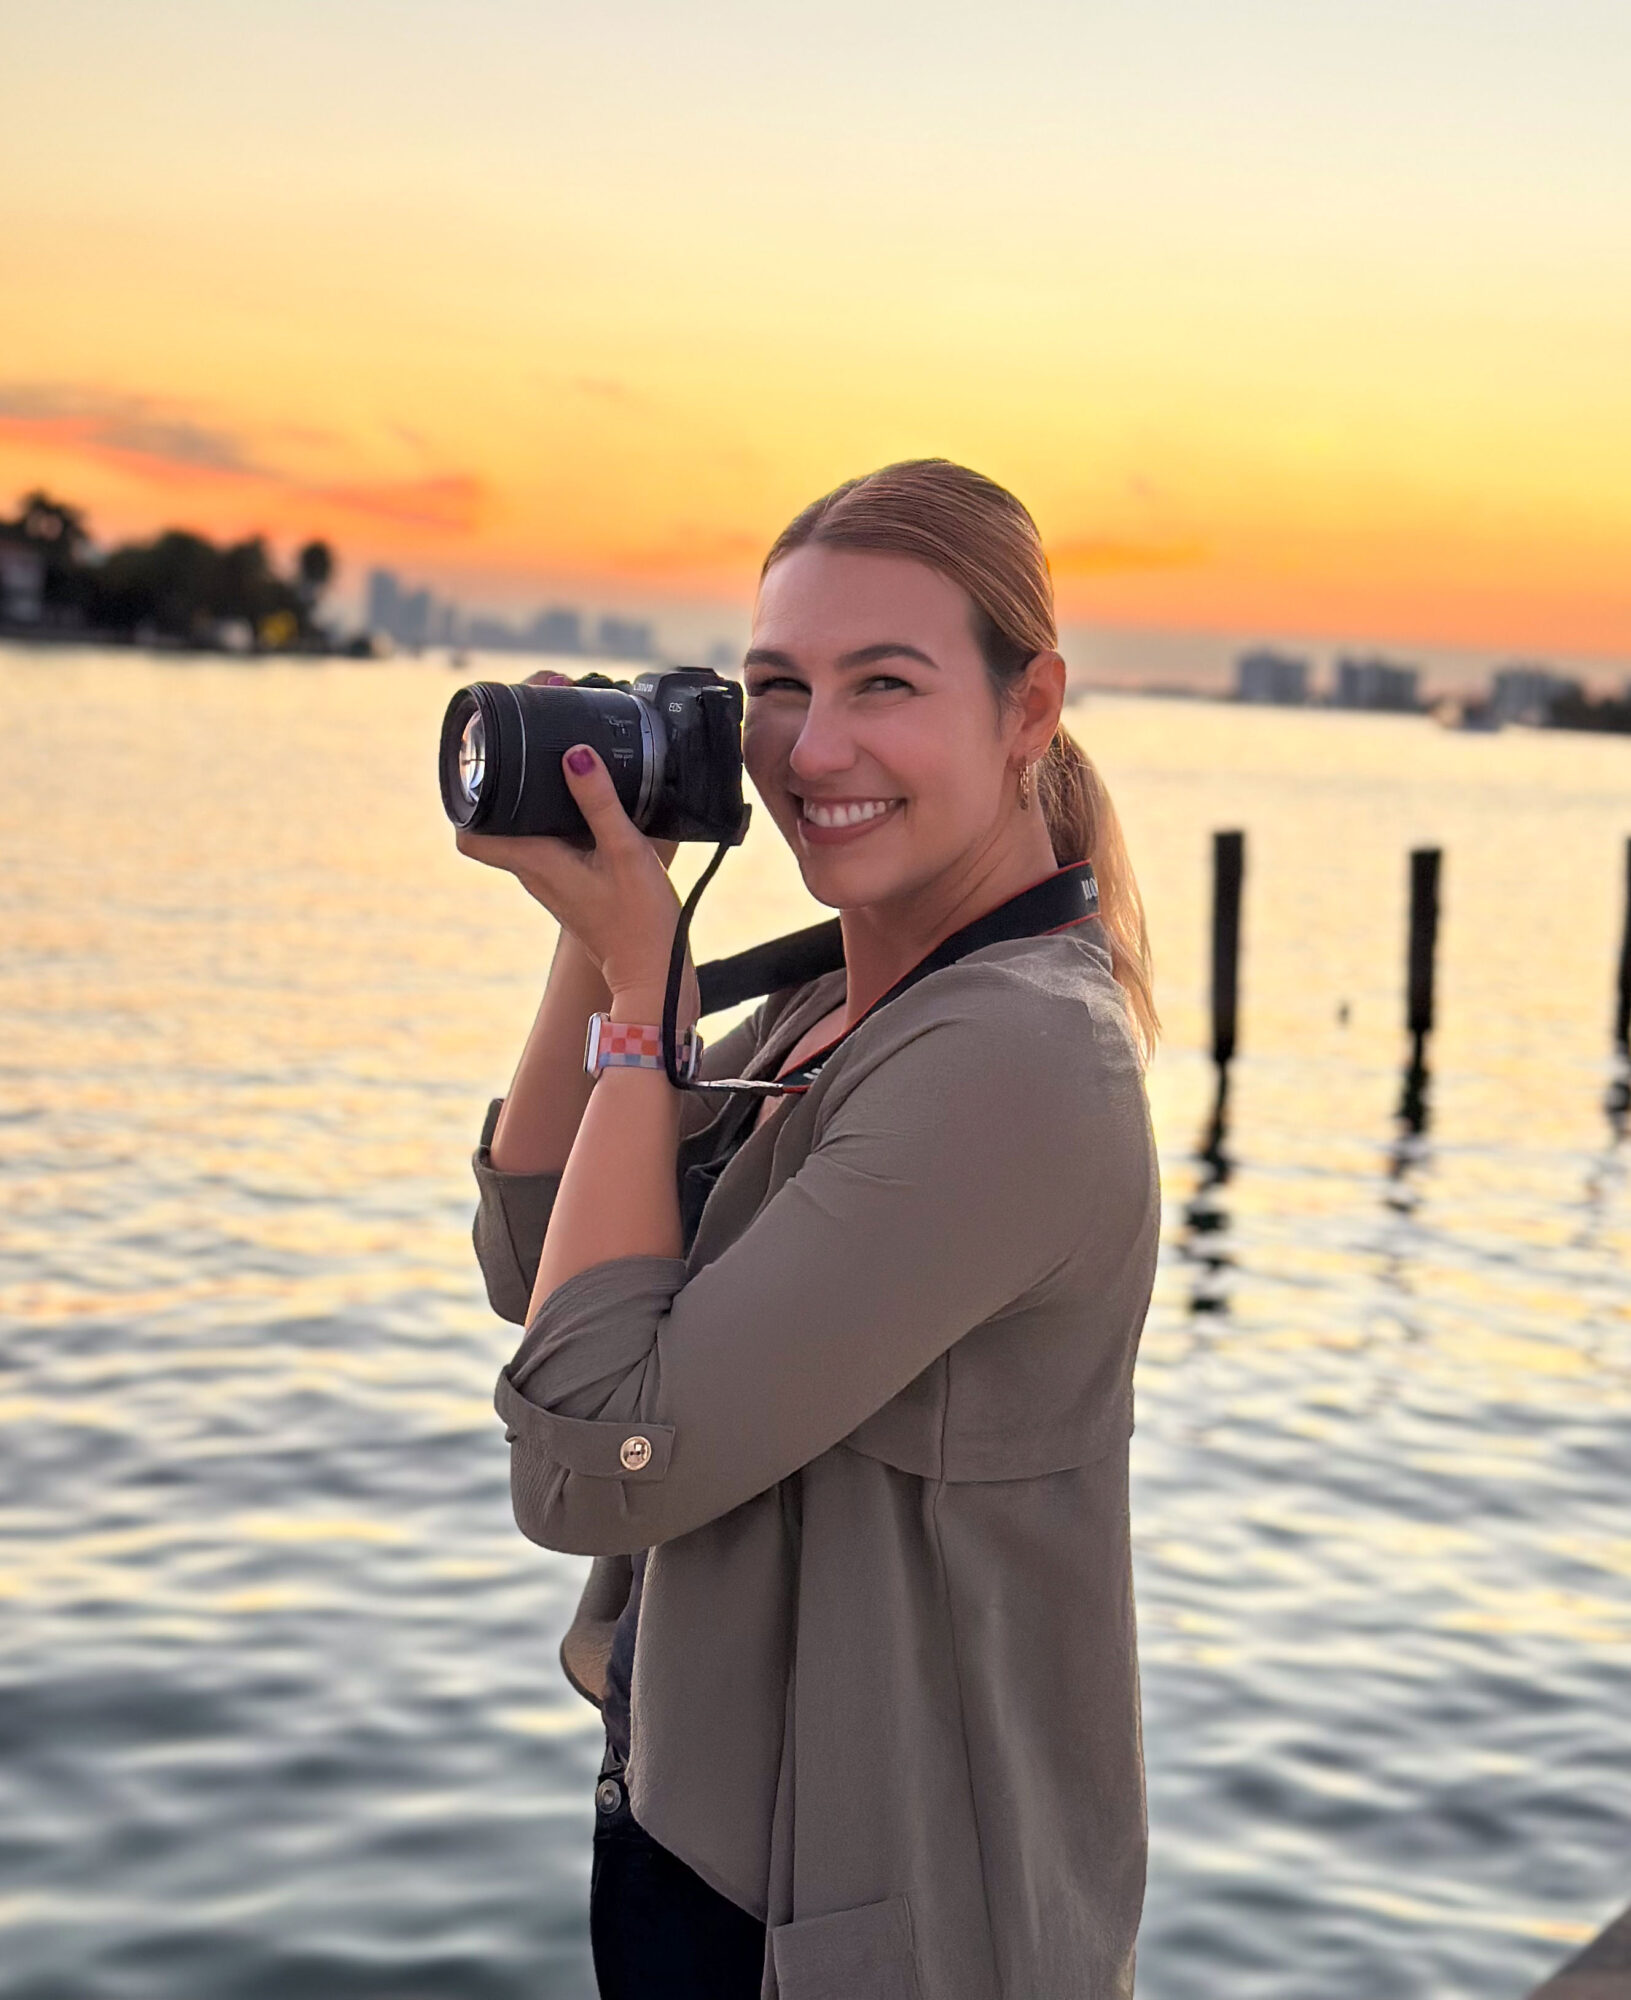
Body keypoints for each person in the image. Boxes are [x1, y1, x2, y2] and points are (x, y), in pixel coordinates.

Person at [458, 459, 1161, 2000]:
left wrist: (644, 1001)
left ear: (1029, 708)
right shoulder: (840, 1003)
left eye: (883, 684)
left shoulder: (1010, 1063)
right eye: (777, 686)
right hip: (708, 1855)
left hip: (883, 1938)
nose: (813, 747)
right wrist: (604, 932)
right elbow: (543, 1269)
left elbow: (587, 1456)